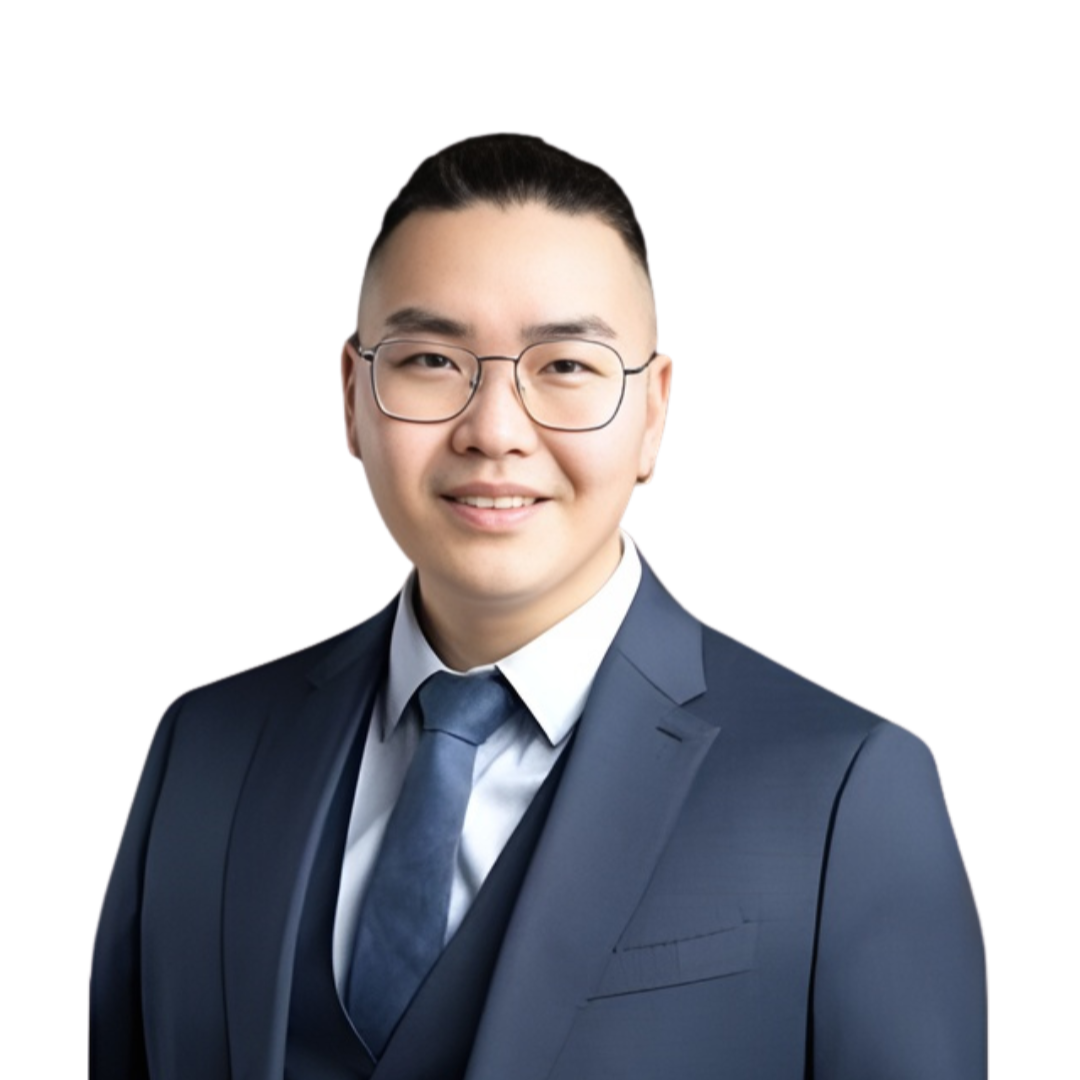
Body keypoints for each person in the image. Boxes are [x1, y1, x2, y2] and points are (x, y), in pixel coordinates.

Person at [90, 134, 986, 1079]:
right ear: (353, 395)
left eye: (564, 367)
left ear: (652, 413)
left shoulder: (845, 792)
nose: (494, 432)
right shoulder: (206, 752)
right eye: (432, 360)